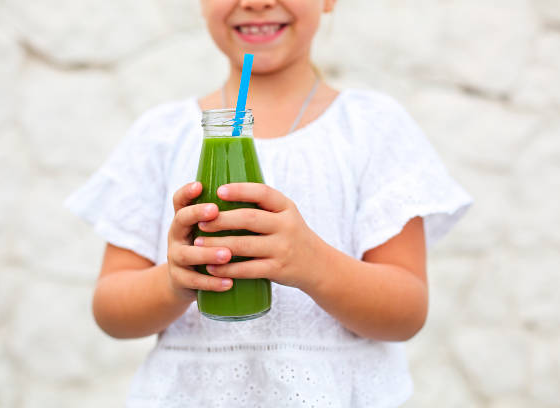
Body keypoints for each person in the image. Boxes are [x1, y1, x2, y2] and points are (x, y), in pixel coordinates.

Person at [65, 0, 472, 406]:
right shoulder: (161, 136)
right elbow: (111, 310)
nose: (256, 2)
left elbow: (406, 312)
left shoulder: (373, 129)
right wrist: (172, 280)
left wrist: (313, 263)